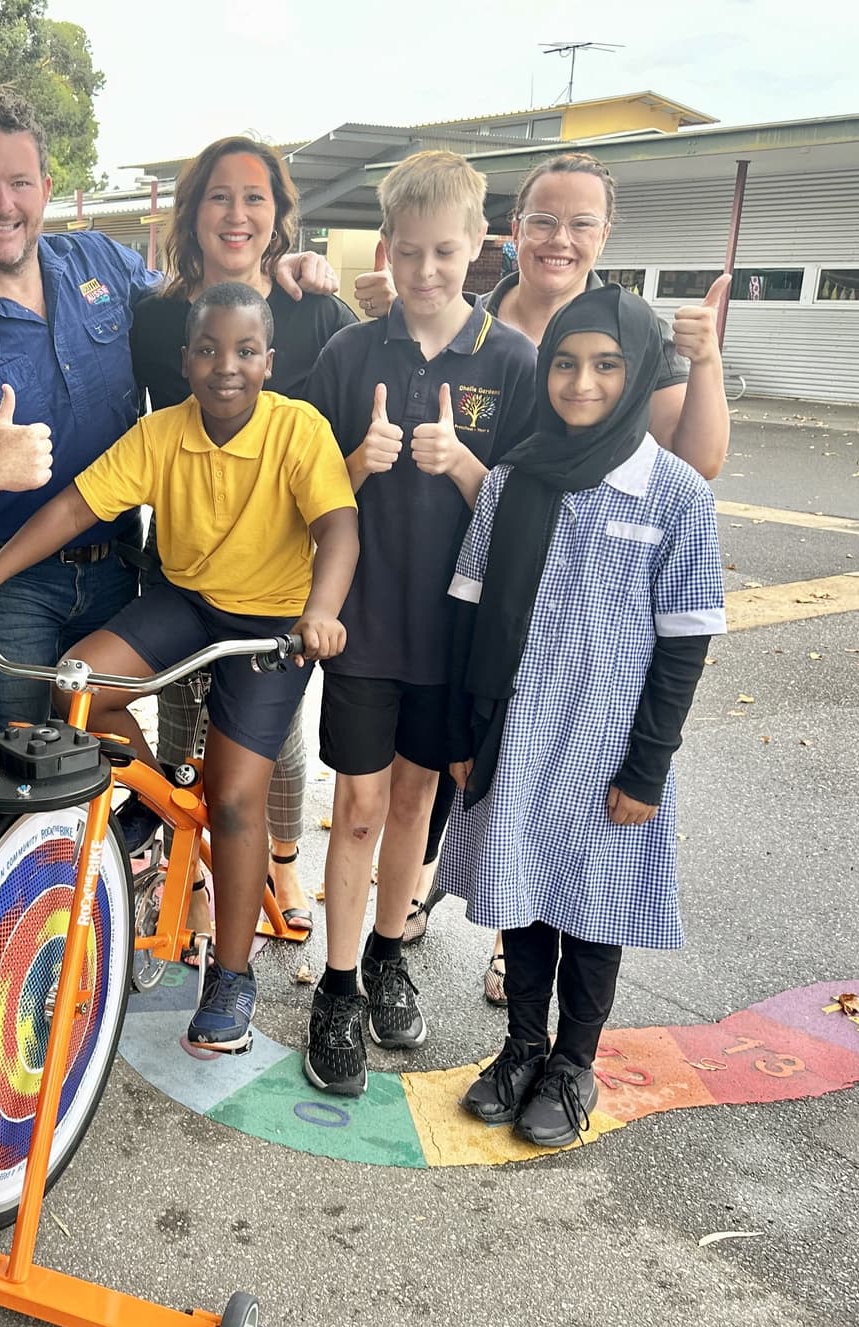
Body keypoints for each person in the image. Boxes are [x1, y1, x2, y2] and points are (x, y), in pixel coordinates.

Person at [0, 91, 337, 848]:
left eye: (20, 182)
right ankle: (3, 950)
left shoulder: (98, 263)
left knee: (101, 752)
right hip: (15, 577)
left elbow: (203, 304)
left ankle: (125, 876)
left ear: (45, 191)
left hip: (122, 560)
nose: (3, 203)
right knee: (21, 767)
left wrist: (276, 261)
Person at [0, 284, 359, 1052]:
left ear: (270, 360)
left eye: (245, 350)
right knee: (77, 681)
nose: (225, 366)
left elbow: (338, 529)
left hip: (273, 624)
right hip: (192, 602)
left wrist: (321, 613)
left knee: (233, 799)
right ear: (184, 359)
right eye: (207, 349)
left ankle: (231, 973)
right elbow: (74, 508)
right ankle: (152, 809)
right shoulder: (161, 433)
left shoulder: (299, 430)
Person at [359, 150, 731, 1005]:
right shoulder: (471, 317)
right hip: (454, 588)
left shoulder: (628, 336)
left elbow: (698, 459)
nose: (560, 239)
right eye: (544, 221)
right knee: (464, 762)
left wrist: (704, 359)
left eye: (582, 223)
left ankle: (520, 962)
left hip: (569, 612)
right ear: (512, 230)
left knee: (546, 778)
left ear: (606, 235)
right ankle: (419, 899)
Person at [440, 283, 725, 1146]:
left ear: (639, 373)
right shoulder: (515, 479)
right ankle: (523, 1046)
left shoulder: (673, 494)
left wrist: (648, 767)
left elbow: (683, 646)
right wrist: (463, 736)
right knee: (524, 898)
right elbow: (468, 611)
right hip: (519, 734)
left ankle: (573, 1065)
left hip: (608, 751)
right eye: (564, 363)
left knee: (592, 908)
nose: (581, 382)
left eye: (606, 364)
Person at [301, 151, 538, 1097]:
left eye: (446, 251)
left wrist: (463, 468)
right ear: (385, 251)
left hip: (453, 637)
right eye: (409, 253)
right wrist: (357, 462)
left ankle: (393, 953)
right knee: (355, 807)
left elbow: (524, 517)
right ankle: (340, 981)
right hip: (362, 627)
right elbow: (303, 496)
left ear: (480, 245)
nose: (427, 271)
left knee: (414, 805)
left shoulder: (514, 363)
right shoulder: (349, 355)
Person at [127, 135, 359, 937]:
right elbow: (145, 433)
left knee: (267, 741)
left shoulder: (315, 308)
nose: (237, 213)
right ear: (193, 215)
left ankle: (278, 868)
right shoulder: (156, 316)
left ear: (279, 217)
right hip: (188, 562)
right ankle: (178, 857)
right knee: (182, 726)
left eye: (255, 198)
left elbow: (355, 436)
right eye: (219, 197)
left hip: (280, 583)